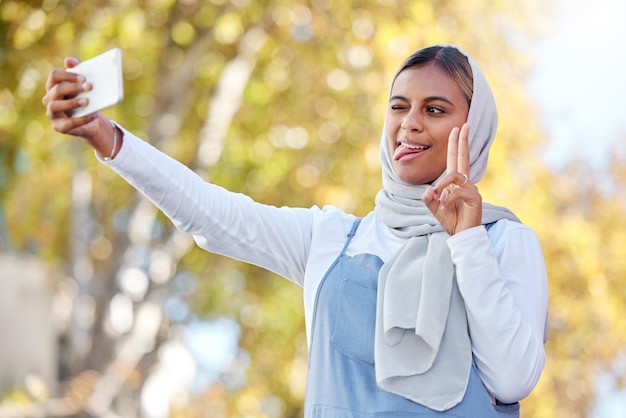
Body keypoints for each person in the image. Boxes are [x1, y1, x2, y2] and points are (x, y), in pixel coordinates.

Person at [43, 44, 548, 417]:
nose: (409, 124)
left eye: (434, 110)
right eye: (399, 106)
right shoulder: (332, 239)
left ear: (474, 129)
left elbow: (512, 378)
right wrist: (108, 139)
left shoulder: (501, 240)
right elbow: (212, 215)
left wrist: (466, 240)